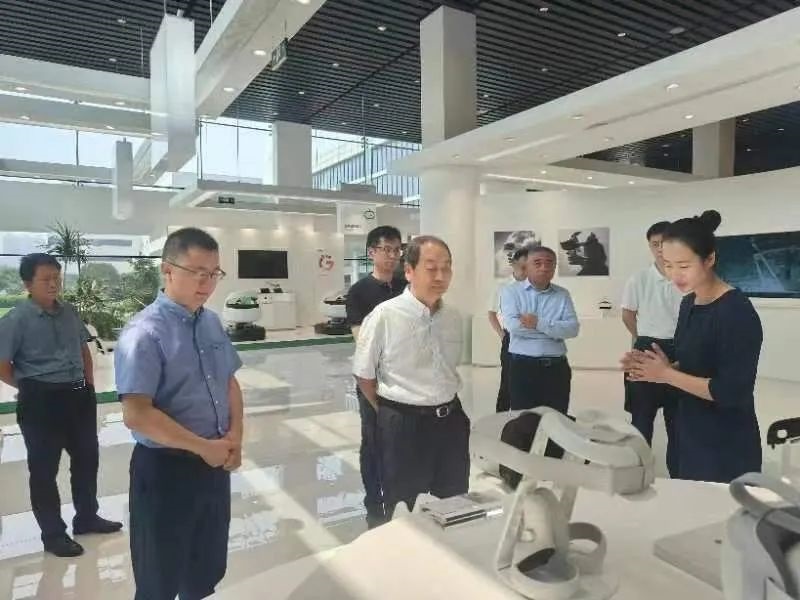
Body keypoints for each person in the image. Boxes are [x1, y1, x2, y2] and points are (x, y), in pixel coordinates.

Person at [116, 227, 243, 600]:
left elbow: (229, 381)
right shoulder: (143, 333)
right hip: (165, 472)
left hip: (214, 467)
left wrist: (235, 437)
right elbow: (137, 414)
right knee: (159, 578)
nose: (207, 283)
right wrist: (203, 447)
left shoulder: (211, 322)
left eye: (214, 273)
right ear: (167, 270)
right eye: (197, 272)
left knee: (205, 570)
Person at [621, 210, 763, 483]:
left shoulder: (735, 312)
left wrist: (666, 375)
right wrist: (655, 368)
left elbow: (730, 391)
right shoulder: (689, 303)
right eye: (668, 265)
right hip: (689, 429)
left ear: (709, 259)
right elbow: (694, 363)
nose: (674, 275)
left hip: (725, 439)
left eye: (684, 266)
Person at [0, 253, 122, 558]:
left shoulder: (69, 312)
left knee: (87, 460)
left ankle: (87, 517)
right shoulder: (16, 320)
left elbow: (83, 349)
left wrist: (88, 385)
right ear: (28, 284)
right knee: (44, 471)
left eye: (57, 278)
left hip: (78, 396)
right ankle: (53, 535)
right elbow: (2, 365)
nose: (54, 284)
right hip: (41, 402)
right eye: (46, 279)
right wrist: (30, 387)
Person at [353, 235, 468, 519]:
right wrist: (392, 411)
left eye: (446, 267)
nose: (440, 275)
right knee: (404, 508)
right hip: (404, 426)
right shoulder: (385, 316)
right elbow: (364, 375)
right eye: (431, 268)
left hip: (451, 422)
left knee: (454, 502)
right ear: (408, 271)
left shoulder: (453, 317)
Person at [345, 225, 406, 528]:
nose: (393, 256)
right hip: (373, 377)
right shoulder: (359, 292)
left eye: (397, 250)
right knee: (373, 441)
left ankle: (399, 498)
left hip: (405, 379)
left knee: (401, 440)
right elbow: (362, 340)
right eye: (387, 249)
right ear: (371, 252)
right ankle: (374, 504)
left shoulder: (407, 286)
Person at [621, 221, 683, 476]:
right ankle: (637, 471)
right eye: (654, 244)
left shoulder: (686, 277)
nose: (660, 249)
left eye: (664, 243)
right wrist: (641, 340)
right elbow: (627, 314)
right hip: (646, 348)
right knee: (641, 417)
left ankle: (679, 472)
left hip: (682, 349)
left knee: (679, 419)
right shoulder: (639, 278)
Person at [501, 246, 580, 414]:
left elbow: (572, 329)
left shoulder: (562, 294)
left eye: (549, 263)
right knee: (524, 421)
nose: (544, 268)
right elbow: (513, 326)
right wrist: (555, 330)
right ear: (527, 267)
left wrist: (538, 323)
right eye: (537, 263)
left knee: (556, 420)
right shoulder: (511, 292)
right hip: (523, 368)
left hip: (556, 370)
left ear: (555, 267)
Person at [488, 247, 528, 412]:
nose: (526, 271)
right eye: (523, 267)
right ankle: (501, 418)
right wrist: (502, 335)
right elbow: (491, 314)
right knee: (507, 381)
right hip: (511, 338)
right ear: (514, 264)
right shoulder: (502, 287)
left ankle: (524, 418)